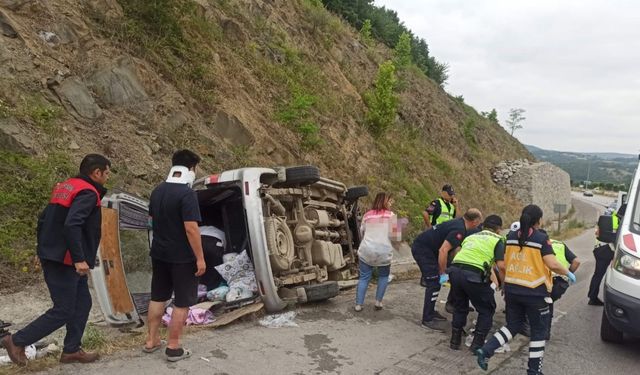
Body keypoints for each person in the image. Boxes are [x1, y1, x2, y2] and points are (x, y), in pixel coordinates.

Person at [2, 154, 111, 366]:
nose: (107, 178)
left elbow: (44, 218)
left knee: (82, 303)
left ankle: (71, 350)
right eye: (106, 173)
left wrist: (42, 247)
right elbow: (72, 225)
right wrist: (79, 258)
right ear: (96, 173)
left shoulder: (66, 187)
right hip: (66, 260)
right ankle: (16, 340)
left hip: (55, 254)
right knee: (64, 309)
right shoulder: (88, 193)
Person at [475, 205, 577, 375]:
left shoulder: (511, 236)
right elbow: (552, 263)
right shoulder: (541, 238)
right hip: (535, 291)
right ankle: (533, 371)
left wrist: (505, 285)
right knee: (539, 332)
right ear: (539, 220)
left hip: (513, 290)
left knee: (513, 325)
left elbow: (507, 263)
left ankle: (486, 351)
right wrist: (568, 273)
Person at [144, 150, 206, 362]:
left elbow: (151, 221)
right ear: (191, 168)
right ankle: (173, 347)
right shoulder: (187, 194)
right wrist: (200, 257)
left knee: (158, 297)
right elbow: (191, 228)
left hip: (159, 254)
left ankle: (151, 341)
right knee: (182, 302)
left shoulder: (157, 191)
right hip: (182, 257)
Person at [412, 208, 483, 331]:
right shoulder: (459, 230)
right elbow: (443, 250)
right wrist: (443, 271)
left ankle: (431, 311)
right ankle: (427, 319)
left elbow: (452, 249)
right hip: (423, 249)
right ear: (475, 222)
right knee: (434, 283)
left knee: (435, 283)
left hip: (427, 248)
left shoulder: (459, 223)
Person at [448, 215, 506, 352]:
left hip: (455, 271)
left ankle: (455, 341)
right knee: (486, 309)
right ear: (498, 229)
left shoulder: (471, 236)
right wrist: (503, 283)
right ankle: (477, 345)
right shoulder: (499, 239)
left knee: (460, 306)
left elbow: (458, 252)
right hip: (473, 275)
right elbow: (501, 266)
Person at [354, 193, 401, 312]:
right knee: (383, 276)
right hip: (383, 251)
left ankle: (358, 304)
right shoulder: (392, 216)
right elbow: (396, 237)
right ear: (385, 202)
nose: (390, 204)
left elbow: (362, 232)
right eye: (389, 201)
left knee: (364, 277)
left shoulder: (367, 215)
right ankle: (378, 302)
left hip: (367, 250)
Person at [539, 230, 580, 339]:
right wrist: (568, 274)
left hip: (545, 279)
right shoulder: (560, 244)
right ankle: (546, 332)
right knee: (548, 302)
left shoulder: (537, 243)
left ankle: (539, 331)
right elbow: (576, 261)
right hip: (561, 282)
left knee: (540, 303)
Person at [587, 209, 621, 306]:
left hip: (600, 249)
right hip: (606, 250)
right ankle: (593, 298)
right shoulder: (619, 221)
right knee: (613, 274)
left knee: (598, 274)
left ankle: (592, 297)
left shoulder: (610, 218)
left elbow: (597, 233)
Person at [199, 225, 226, 290]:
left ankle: (200, 290)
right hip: (215, 242)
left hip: (198, 240)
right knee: (215, 270)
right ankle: (212, 290)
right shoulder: (222, 232)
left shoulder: (200, 228)